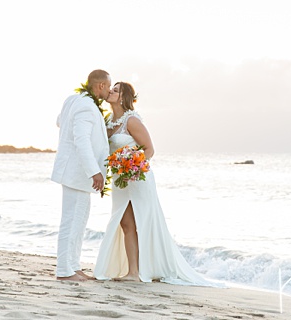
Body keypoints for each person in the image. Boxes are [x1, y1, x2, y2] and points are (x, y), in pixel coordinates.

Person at [94, 82, 224, 286]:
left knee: (142, 222)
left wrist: (132, 167)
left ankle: (139, 271)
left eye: (116, 90)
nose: (111, 91)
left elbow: (149, 150)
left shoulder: (132, 120)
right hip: (120, 179)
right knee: (125, 223)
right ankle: (133, 271)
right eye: (111, 89)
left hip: (137, 178)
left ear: (123, 97)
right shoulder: (108, 121)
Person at [51, 69, 112, 282]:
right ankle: (64, 271)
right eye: (109, 86)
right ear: (101, 86)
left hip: (75, 172)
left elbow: (60, 121)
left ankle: (73, 267)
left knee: (79, 220)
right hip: (77, 173)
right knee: (71, 220)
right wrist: (94, 171)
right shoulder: (86, 106)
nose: (110, 90)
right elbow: (81, 140)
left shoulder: (73, 100)